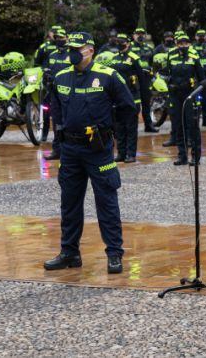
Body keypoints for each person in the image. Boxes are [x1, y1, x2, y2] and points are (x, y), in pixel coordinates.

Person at [43, 31, 136, 275]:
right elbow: (56, 109)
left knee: (106, 201)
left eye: (78, 48)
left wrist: (109, 131)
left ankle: (114, 253)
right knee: (69, 203)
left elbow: (128, 108)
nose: (73, 52)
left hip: (98, 149)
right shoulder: (61, 77)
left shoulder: (108, 76)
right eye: (70, 47)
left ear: (91, 50)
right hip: (70, 150)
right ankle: (69, 252)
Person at [166, 31, 206, 166]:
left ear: (189, 44)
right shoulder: (171, 56)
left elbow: (202, 78)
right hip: (175, 95)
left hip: (189, 95)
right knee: (178, 125)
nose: (182, 45)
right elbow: (166, 73)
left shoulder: (195, 57)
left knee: (192, 126)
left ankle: (195, 156)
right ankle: (182, 156)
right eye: (180, 43)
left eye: (185, 43)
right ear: (176, 44)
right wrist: (168, 83)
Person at [106, 35, 145, 163]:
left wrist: (142, 97)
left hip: (132, 98)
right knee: (119, 128)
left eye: (122, 42)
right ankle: (121, 153)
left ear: (128, 43)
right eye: (117, 42)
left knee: (131, 128)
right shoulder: (113, 58)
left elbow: (142, 79)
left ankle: (131, 154)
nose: (119, 44)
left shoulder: (134, 58)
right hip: (118, 99)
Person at [42, 29, 70, 161]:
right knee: (56, 121)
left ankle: (68, 150)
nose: (59, 39)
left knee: (68, 121)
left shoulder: (72, 54)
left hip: (68, 93)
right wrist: (45, 75)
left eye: (62, 37)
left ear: (67, 38)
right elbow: (46, 68)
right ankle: (56, 150)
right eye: (57, 37)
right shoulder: (52, 55)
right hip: (54, 92)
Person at [130, 28, 157, 132]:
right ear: (134, 36)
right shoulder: (130, 47)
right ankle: (132, 127)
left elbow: (153, 63)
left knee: (146, 103)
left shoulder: (149, 48)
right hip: (134, 78)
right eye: (137, 34)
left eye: (142, 34)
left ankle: (148, 126)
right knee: (134, 104)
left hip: (146, 78)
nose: (140, 36)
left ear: (145, 36)